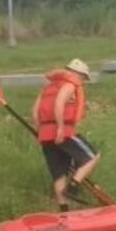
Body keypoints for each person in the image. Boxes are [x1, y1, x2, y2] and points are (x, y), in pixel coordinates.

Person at [31, 59, 101, 213]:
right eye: (83, 77)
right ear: (77, 73)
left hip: (45, 135)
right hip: (63, 131)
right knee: (93, 156)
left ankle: (64, 212)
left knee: (59, 174)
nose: (82, 81)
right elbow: (59, 103)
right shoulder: (69, 85)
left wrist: (40, 131)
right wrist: (61, 128)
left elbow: (35, 112)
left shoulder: (48, 87)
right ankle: (74, 187)